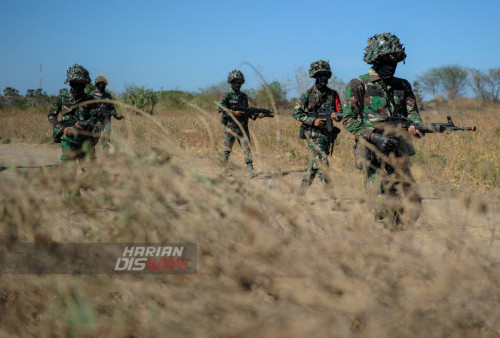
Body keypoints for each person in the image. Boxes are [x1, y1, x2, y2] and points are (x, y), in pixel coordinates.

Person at [342, 33, 423, 227]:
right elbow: (348, 119)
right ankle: (382, 248)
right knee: (384, 208)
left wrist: (415, 126)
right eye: (387, 60)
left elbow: (412, 112)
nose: (392, 65)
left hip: (399, 151)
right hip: (374, 152)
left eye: (395, 61)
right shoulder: (358, 84)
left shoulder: (402, 85)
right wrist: (374, 138)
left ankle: (395, 241)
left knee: (413, 205)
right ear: (376, 60)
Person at [293, 60, 343, 193]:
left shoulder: (333, 94)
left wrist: (336, 116)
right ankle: (332, 197)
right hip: (313, 133)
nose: (324, 77)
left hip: (327, 134)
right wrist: (312, 121)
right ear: (315, 76)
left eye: (326, 74)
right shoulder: (307, 94)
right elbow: (296, 113)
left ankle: (301, 192)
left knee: (315, 164)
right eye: (320, 74)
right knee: (322, 162)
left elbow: (341, 113)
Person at [48, 64, 99, 163]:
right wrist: (63, 129)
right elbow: (51, 116)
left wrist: (83, 125)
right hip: (67, 139)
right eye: (75, 83)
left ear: (85, 84)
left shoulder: (90, 100)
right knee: (69, 169)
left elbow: (94, 118)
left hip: (85, 139)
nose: (78, 86)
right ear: (70, 83)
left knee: (90, 171)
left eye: (81, 83)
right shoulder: (62, 97)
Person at [217, 69, 264, 176]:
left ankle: (250, 169)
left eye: (240, 82)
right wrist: (233, 112)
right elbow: (219, 106)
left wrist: (257, 115)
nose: (238, 84)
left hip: (243, 127)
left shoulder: (243, 96)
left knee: (246, 147)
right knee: (227, 148)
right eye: (236, 82)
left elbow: (247, 111)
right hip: (231, 127)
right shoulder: (226, 95)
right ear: (231, 82)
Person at [92, 75, 124, 150]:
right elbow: (88, 107)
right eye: (99, 83)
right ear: (97, 84)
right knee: (94, 138)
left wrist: (116, 115)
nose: (101, 85)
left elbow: (112, 107)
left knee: (106, 139)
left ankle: (106, 155)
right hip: (96, 120)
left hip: (106, 120)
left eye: (103, 83)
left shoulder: (108, 95)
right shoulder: (92, 95)